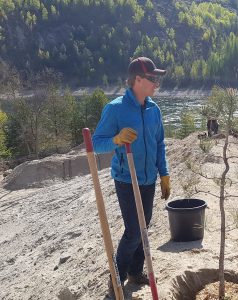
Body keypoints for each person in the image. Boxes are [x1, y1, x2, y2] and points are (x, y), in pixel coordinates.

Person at [92, 57, 170, 298]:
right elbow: (96, 143)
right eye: (152, 78)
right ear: (138, 79)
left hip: (148, 178)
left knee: (144, 228)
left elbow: (159, 144)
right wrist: (116, 139)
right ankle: (118, 276)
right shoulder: (115, 109)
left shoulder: (154, 109)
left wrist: (164, 173)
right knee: (134, 231)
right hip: (127, 178)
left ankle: (136, 272)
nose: (156, 83)